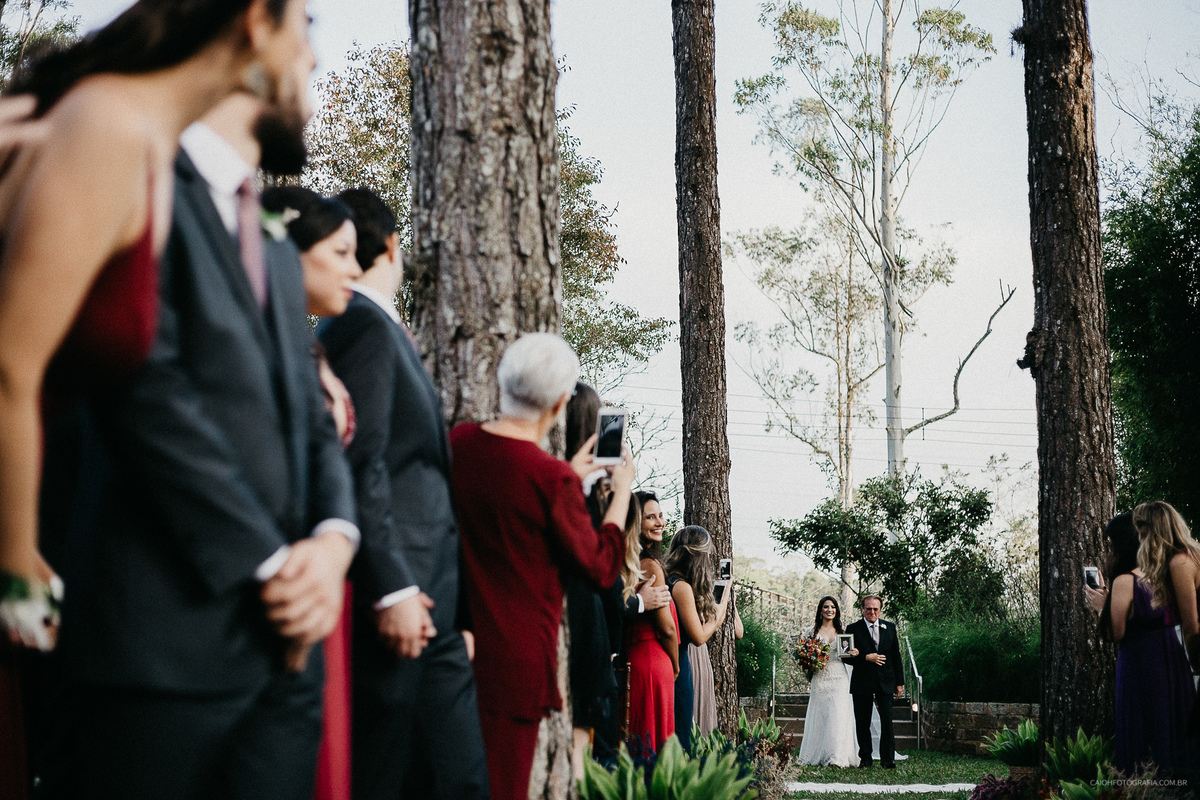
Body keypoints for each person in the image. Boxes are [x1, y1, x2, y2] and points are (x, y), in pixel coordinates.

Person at [32, 42, 364, 797]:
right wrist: (275, 565)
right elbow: (144, 392)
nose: (313, 74)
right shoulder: (132, 179)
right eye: (304, 43)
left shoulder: (276, 247)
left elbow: (310, 422)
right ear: (257, 35)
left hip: (286, 659)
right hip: (158, 647)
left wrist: (334, 542)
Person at [318, 188, 487, 800]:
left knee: (453, 776)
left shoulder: (379, 329)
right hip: (399, 598)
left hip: (434, 604)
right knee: (391, 776)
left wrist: (460, 614)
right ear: (392, 244)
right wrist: (393, 587)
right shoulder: (360, 327)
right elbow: (362, 466)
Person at [450, 333, 631, 800]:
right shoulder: (550, 482)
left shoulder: (459, 444)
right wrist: (622, 493)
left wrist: (566, 479)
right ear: (557, 406)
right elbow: (603, 566)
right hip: (514, 662)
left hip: (450, 647)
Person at [260, 186, 364, 800]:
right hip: (282, 567)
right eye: (341, 251)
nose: (355, 267)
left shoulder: (314, 348)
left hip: (331, 560)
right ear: (289, 251)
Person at [1088, 511, 1195, 778]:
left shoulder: (1126, 581)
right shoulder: (1166, 573)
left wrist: (1101, 607)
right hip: (1172, 657)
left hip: (1139, 663)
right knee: (1173, 725)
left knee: (1143, 728)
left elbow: (1116, 633)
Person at [663, 524, 731, 750]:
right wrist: (720, 610)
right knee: (681, 731)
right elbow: (698, 637)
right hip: (678, 662)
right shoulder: (680, 587)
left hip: (667, 657)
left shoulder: (668, 578)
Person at [626, 491, 679, 754]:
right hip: (653, 661)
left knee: (637, 738)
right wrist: (676, 663)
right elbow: (667, 627)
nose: (659, 522)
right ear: (636, 522)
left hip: (633, 659)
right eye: (650, 517)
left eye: (660, 515)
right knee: (652, 743)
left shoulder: (629, 562)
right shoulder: (650, 566)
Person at [796, 596, 860, 767]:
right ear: (820, 610)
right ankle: (817, 754)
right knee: (821, 716)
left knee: (838, 716)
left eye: (833, 607)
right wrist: (808, 660)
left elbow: (848, 656)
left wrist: (853, 653)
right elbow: (803, 656)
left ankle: (836, 757)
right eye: (826, 607)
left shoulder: (843, 631)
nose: (829, 610)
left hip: (839, 677)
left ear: (836, 610)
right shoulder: (811, 631)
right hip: (820, 677)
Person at [845, 595, 904, 769]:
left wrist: (899, 683)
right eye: (868, 609)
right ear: (862, 609)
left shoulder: (890, 627)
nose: (872, 612)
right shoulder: (853, 628)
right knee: (862, 721)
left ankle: (888, 759)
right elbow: (846, 657)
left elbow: (896, 657)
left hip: (886, 681)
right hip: (862, 681)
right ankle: (865, 758)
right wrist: (865, 657)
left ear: (880, 609)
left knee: (887, 720)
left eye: (875, 609)